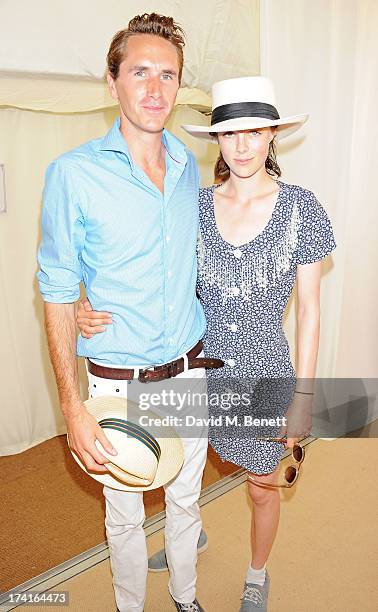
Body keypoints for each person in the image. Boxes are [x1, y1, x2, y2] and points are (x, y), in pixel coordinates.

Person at [77, 76, 336, 611]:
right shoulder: (188, 206)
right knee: (175, 473)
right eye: (229, 133)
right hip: (188, 368)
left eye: (254, 131)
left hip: (264, 374)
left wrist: (304, 398)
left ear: (272, 136)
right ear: (216, 140)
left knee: (262, 483)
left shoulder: (302, 210)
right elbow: (143, 273)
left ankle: (257, 572)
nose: (242, 145)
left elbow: (310, 311)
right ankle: (186, 538)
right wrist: (84, 303)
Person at [37, 13, 224, 612]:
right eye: (139, 72)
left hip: (189, 369)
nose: (154, 89)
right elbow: (57, 287)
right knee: (123, 519)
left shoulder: (190, 168)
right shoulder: (73, 174)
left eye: (167, 75)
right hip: (117, 384)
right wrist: (71, 405)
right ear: (111, 82)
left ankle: (186, 598)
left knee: (187, 500)